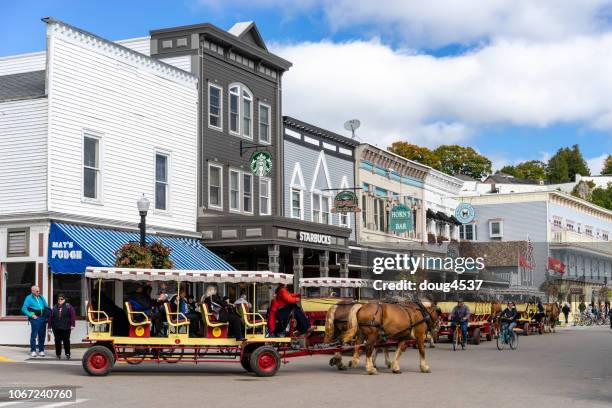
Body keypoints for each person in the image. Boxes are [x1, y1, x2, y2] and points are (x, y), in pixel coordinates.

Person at [21, 285, 50, 357]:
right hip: (35, 319)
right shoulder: (29, 298)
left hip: (43, 318)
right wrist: (31, 315)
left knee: (42, 335)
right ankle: (33, 350)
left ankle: (41, 350)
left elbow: (46, 306)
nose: (39, 292)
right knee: (34, 335)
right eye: (37, 291)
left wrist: (47, 313)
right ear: (32, 291)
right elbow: (24, 309)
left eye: (39, 291)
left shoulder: (40, 297)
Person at [47, 294, 76, 360]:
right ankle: (58, 354)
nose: (60, 300)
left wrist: (72, 325)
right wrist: (49, 327)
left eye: (61, 299)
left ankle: (67, 353)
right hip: (56, 327)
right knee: (57, 341)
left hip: (66, 327)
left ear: (64, 300)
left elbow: (73, 316)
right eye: (58, 299)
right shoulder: (54, 307)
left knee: (66, 341)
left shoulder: (68, 306)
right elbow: (50, 318)